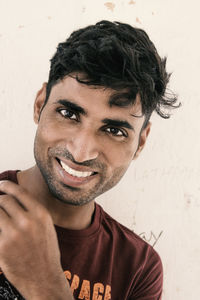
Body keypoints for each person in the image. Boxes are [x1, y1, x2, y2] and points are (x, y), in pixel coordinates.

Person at [0, 20, 178, 299]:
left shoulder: (139, 269)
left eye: (114, 130)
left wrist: (45, 284)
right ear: (39, 105)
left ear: (140, 142)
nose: (82, 152)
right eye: (69, 114)